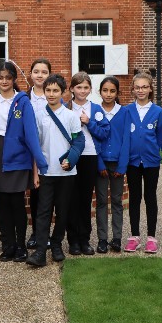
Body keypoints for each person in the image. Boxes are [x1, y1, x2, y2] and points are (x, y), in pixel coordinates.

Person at [0, 61, 48, 263]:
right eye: (1, 77)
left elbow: (31, 133)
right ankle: (8, 245)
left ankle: (21, 246)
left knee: (17, 204)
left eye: (8, 77)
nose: (4, 81)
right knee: (1, 204)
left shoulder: (23, 102)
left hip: (19, 155)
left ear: (14, 79)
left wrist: (39, 163)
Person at [27, 74, 84, 266]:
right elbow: (35, 146)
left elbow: (78, 141)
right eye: (48, 90)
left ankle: (57, 244)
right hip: (45, 172)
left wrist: (71, 159)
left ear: (63, 92)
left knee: (63, 211)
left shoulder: (71, 116)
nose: (51, 94)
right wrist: (35, 172)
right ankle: (41, 251)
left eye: (55, 91)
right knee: (43, 212)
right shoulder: (38, 115)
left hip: (66, 173)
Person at [66, 72, 110, 256]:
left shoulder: (96, 109)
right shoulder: (65, 108)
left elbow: (104, 132)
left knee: (85, 200)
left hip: (90, 156)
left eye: (85, 87)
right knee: (71, 200)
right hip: (71, 156)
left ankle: (84, 239)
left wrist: (89, 123)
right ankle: (73, 241)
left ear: (90, 89)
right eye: (78, 87)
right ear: (71, 89)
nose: (82, 91)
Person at [123, 72, 162, 254]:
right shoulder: (127, 111)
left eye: (144, 87)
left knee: (150, 197)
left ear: (150, 89)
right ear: (133, 89)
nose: (141, 90)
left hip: (151, 162)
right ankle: (134, 236)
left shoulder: (157, 112)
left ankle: (151, 237)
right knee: (134, 198)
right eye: (137, 87)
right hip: (132, 162)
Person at [94, 76, 130, 253]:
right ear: (99, 92)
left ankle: (116, 238)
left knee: (117, 201)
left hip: (117, 164)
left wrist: (122, 166)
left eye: (112, 91)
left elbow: (126, 140)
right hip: (100, 164)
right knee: (101, 201)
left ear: (117, 93)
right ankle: (102, 239)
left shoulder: (124, 112)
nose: (108, 94)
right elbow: (93, 139)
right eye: (105, 90)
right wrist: (99, 164)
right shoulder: (94, 111)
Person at [27, 58, 51, 249]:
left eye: (44, 72)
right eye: (36, 71)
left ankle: (46, 234)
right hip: (27, 152)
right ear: (31, 74)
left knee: (47, 195)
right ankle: (35, 233)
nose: (40, 75)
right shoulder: (23, 98)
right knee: (34, 195)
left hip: (48, 150)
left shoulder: (54, 97)